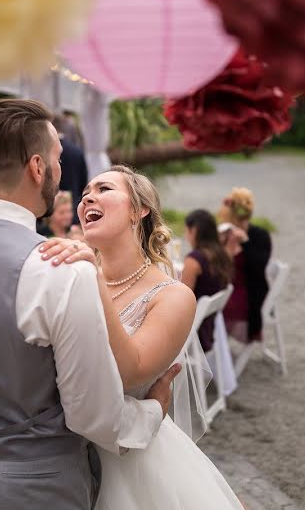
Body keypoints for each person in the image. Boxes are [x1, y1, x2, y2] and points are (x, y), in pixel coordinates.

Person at [0, 99, 179, 509]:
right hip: (36, 480)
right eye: (57, 158)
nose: (61, 170)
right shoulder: (59, 269)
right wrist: (152, 412)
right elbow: (91, 414)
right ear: (38, 168)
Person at [40, 166, 243, 509]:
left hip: (132, 467)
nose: (88, 196)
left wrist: (92, 278)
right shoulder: (68, 274)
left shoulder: (173, 296)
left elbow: (129, 371)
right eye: (86, 191)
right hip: (53, 455)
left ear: (138, 209)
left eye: (104, 188)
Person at [217, 188, 272, 342]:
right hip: (225, 286)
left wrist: (245, 243)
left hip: (248, 293)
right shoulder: (225, 234)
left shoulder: (260, 236)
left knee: (208, 308)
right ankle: (210, 352)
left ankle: (209, 351)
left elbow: (258, 266)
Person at [181, 209, 232, 351]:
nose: (186, 236)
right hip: (208, 327)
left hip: (193, 332)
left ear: (194, 231)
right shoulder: (222, 254)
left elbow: (182, 299)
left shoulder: (194, 260)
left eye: (187, 231)